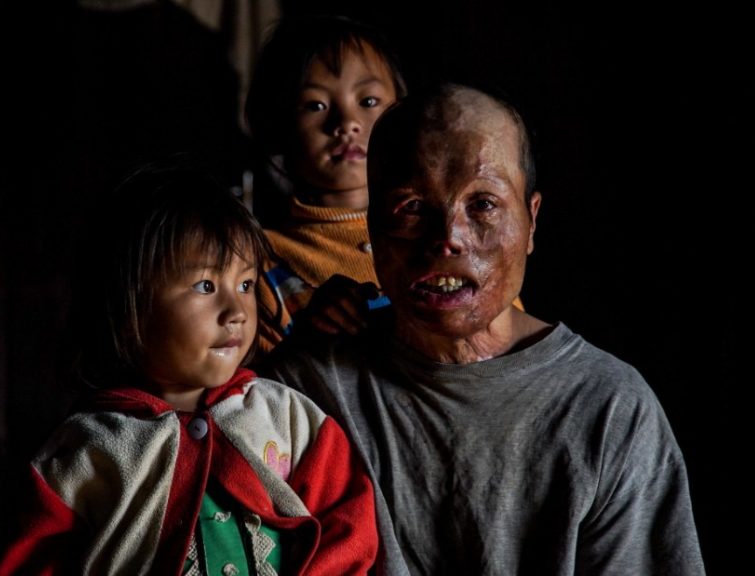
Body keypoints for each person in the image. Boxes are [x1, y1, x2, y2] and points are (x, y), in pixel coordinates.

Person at [262, 85, 706, 575]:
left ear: (532, 220)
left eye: (483, 204)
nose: (447, 237)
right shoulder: (304, 393)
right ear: (372, 227)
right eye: (410, 207)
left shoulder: (608, 407)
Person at [0, 166, 378, 575]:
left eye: (246, 285)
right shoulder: (85, 451)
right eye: (206, 286)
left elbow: (349, 524)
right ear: (129, 307)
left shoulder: (288, 418)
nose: (236, 313)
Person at [244, 14, 407, 352]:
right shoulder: (261, 262)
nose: (346, 122)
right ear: (278, 126)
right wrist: (311, 338)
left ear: (404, 112)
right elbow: (257, 396)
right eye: (315, 105)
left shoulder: (442, 233)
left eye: (368, 101)